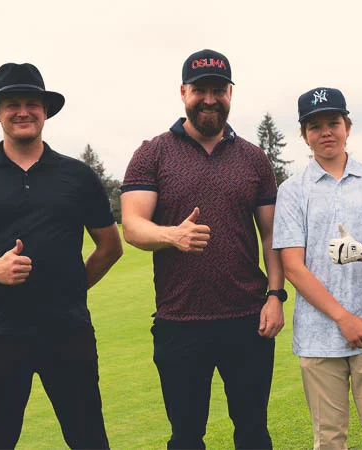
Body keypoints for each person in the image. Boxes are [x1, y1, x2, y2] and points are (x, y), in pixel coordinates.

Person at [0, 62, 123, 449]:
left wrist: (71, 287)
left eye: (32, 103)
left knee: (88, 438)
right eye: (12, 104)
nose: (23, 112)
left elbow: (110, 246)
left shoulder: (77, 175)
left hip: (67, 331)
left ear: (45, 110)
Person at [119, 49, 285, 450]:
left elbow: (271, 235)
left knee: (253, 433)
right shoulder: (153, 153)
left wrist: (276, 296)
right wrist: (171, 236)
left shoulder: (253, 157)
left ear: (230, 93)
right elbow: (133, 225)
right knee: (186, 436)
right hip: (179, 321)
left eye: (218, 90)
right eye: (200, 90)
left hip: (247, 319)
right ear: (183, 93)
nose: (209, 99)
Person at [273, 87, 362, 450]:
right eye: (315, 126)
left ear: (347, 127)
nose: (326, 132)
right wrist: (342, 318)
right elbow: (293, 267)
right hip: (319, 335)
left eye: (333, 123)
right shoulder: (292, 190)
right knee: (329, 440)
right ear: (304, 135)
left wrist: (361, 251)